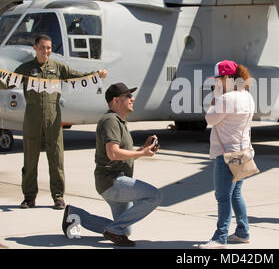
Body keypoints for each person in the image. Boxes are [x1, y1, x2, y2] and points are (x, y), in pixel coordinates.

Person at [0, 34, 107, 210]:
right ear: (35, 48)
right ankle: (29, 197)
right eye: (42, 47)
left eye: (49, 47)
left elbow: (76, 76)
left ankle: (58, 197)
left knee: (56, 158)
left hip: (53, 117)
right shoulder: (27, 68)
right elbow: (8, 82)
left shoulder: (57, 67)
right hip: (32, 117)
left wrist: (95, 74)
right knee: (30, 159)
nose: (46, 51)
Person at [61, 83, 163, 247]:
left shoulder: (119, 122)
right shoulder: (110, 121)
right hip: (112, 182)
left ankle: (74, 215)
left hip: (115, 180)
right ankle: (114, 230)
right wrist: (142, 153)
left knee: (125, 230)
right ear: (116, 101)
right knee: (154, 196)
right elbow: (113, 153)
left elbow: (120, 157)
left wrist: (143, 148)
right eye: (128, 96)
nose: (132, 99)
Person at [199, 60, 255, 249]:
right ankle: (242, 231)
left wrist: (213, 102)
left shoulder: (225, 99)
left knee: (223, 197)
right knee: (235, 194)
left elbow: (209, 119)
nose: (215, 82)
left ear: (226, 78)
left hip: (227, 154)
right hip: (244, 151)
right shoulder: (247, 96)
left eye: (217, 79)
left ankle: (220, 237)